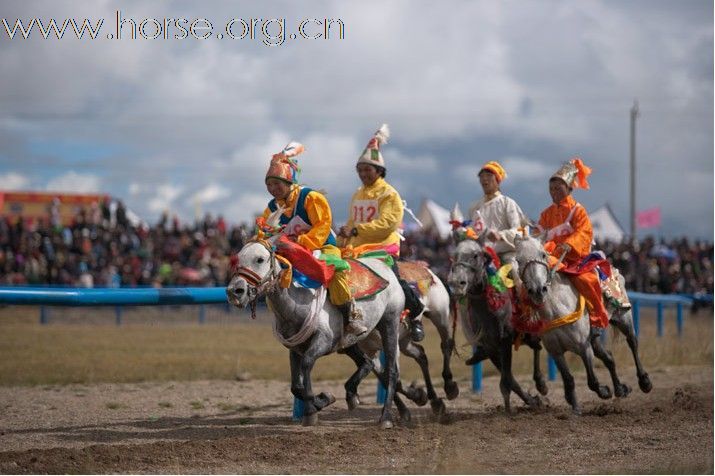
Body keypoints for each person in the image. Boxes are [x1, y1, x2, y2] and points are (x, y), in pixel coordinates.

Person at [261, 142, 367, 338]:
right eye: (269, 184)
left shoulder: (311, 197)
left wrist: (301, 243)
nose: (273, 188)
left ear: (289, 182)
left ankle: (350, 318)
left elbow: (322, 226)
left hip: (323, 246)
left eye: (277, 183)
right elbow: (265, 232)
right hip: (291, 251)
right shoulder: (271, 208)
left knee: (333, 272)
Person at [337, 124, 426, 342]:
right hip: (356, 247)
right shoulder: (358, 194)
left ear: (379, 171)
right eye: (360, 170)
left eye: (367, 169)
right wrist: (341, 237)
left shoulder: (390, 194)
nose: (363, 174)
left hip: (383, 246)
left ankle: (416, 315)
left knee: (394, 281)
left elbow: (388, 223)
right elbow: (352, 221)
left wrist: (357, 229)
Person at [538, 157, 609, 342]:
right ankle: (532, 322)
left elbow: (584, 232)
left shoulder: (578, 210)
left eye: (558, 188)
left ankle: (595, 320)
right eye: (551, 189)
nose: (554, 192)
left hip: (575, 260)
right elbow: (539, 234)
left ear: (569, 188)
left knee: (587, 281)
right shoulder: (545, 214)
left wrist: (570, 243)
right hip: (552, 258)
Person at [465, 160, 528, 365]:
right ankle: (480, 339)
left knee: (517, 281)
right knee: (466, 293)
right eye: (482, 177)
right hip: (483, 259)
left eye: (489, 176)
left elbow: (519, 230)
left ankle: (527, 325)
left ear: (498, 180)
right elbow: (471, 234)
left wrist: (499, 235)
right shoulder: (474, 207)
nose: (484, 180)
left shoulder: (507, 203)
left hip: (506, 255)